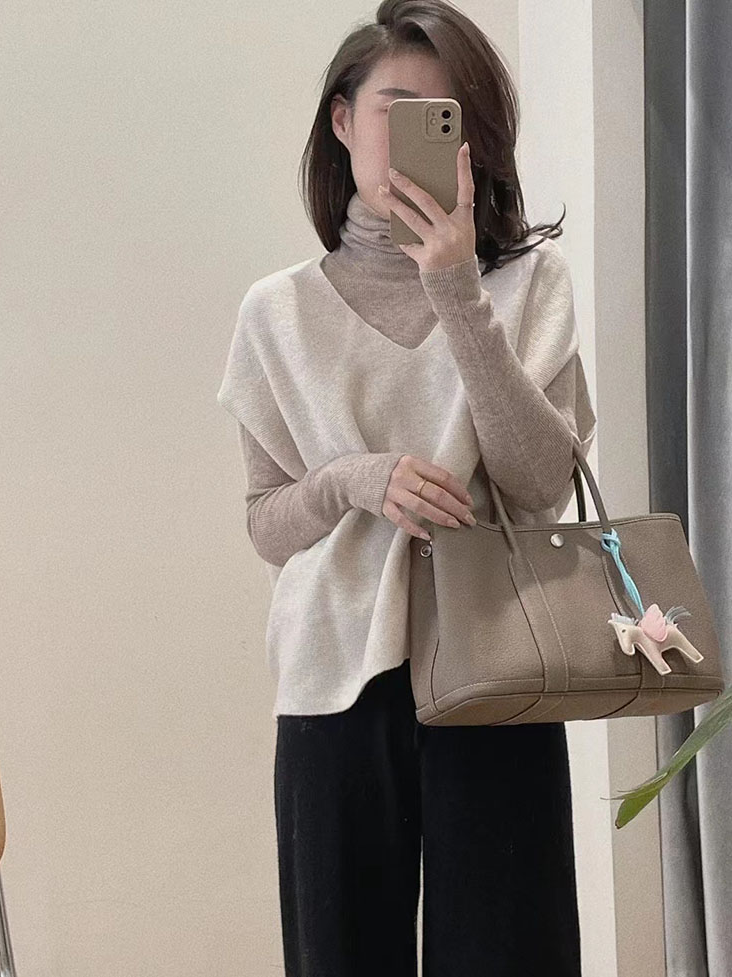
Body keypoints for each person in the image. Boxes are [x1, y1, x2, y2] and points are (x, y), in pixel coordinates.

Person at [217, 1, 597, 974]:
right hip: (333, 675)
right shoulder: (277, 313)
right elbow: (267, 524)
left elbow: (540, 483)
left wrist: (458, 290)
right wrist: (354, 479)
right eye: (395, 109)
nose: (419, 136)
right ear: (342, 120)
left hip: (499, 666)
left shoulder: (530, 285)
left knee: (512, 955)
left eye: (446, 115)